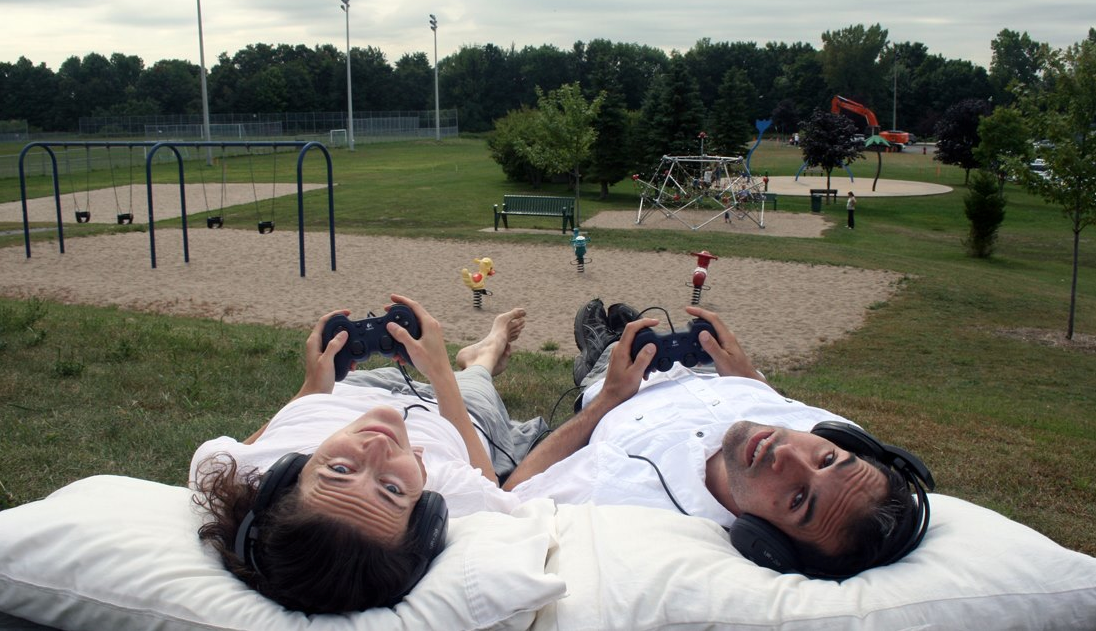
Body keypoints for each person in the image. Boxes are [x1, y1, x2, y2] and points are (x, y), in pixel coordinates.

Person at [502, 298, 928, 579]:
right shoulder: (826, 431)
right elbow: (796, 418)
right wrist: (751, 380)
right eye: (828, 460)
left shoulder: (627, 492)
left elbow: (513, 492)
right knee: (647, 331)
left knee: (611, 349)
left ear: (767, 543)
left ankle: (598, 348)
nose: (787, 455)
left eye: (798, 499)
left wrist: (608, 399)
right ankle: (625, 331)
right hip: (715, 375)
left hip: (622, 393)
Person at [190, 295, 544, 613]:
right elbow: (491, 484)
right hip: (453, 412)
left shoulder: (237, 468)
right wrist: (439, 373)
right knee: (476, 380)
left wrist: (313, 387)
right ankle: (482, 355)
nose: (378, 446)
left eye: (340, 471)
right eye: (390, 489)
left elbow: (242, 449)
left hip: (345, 392)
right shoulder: (455, 497)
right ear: (422, 515)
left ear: (286, 477)